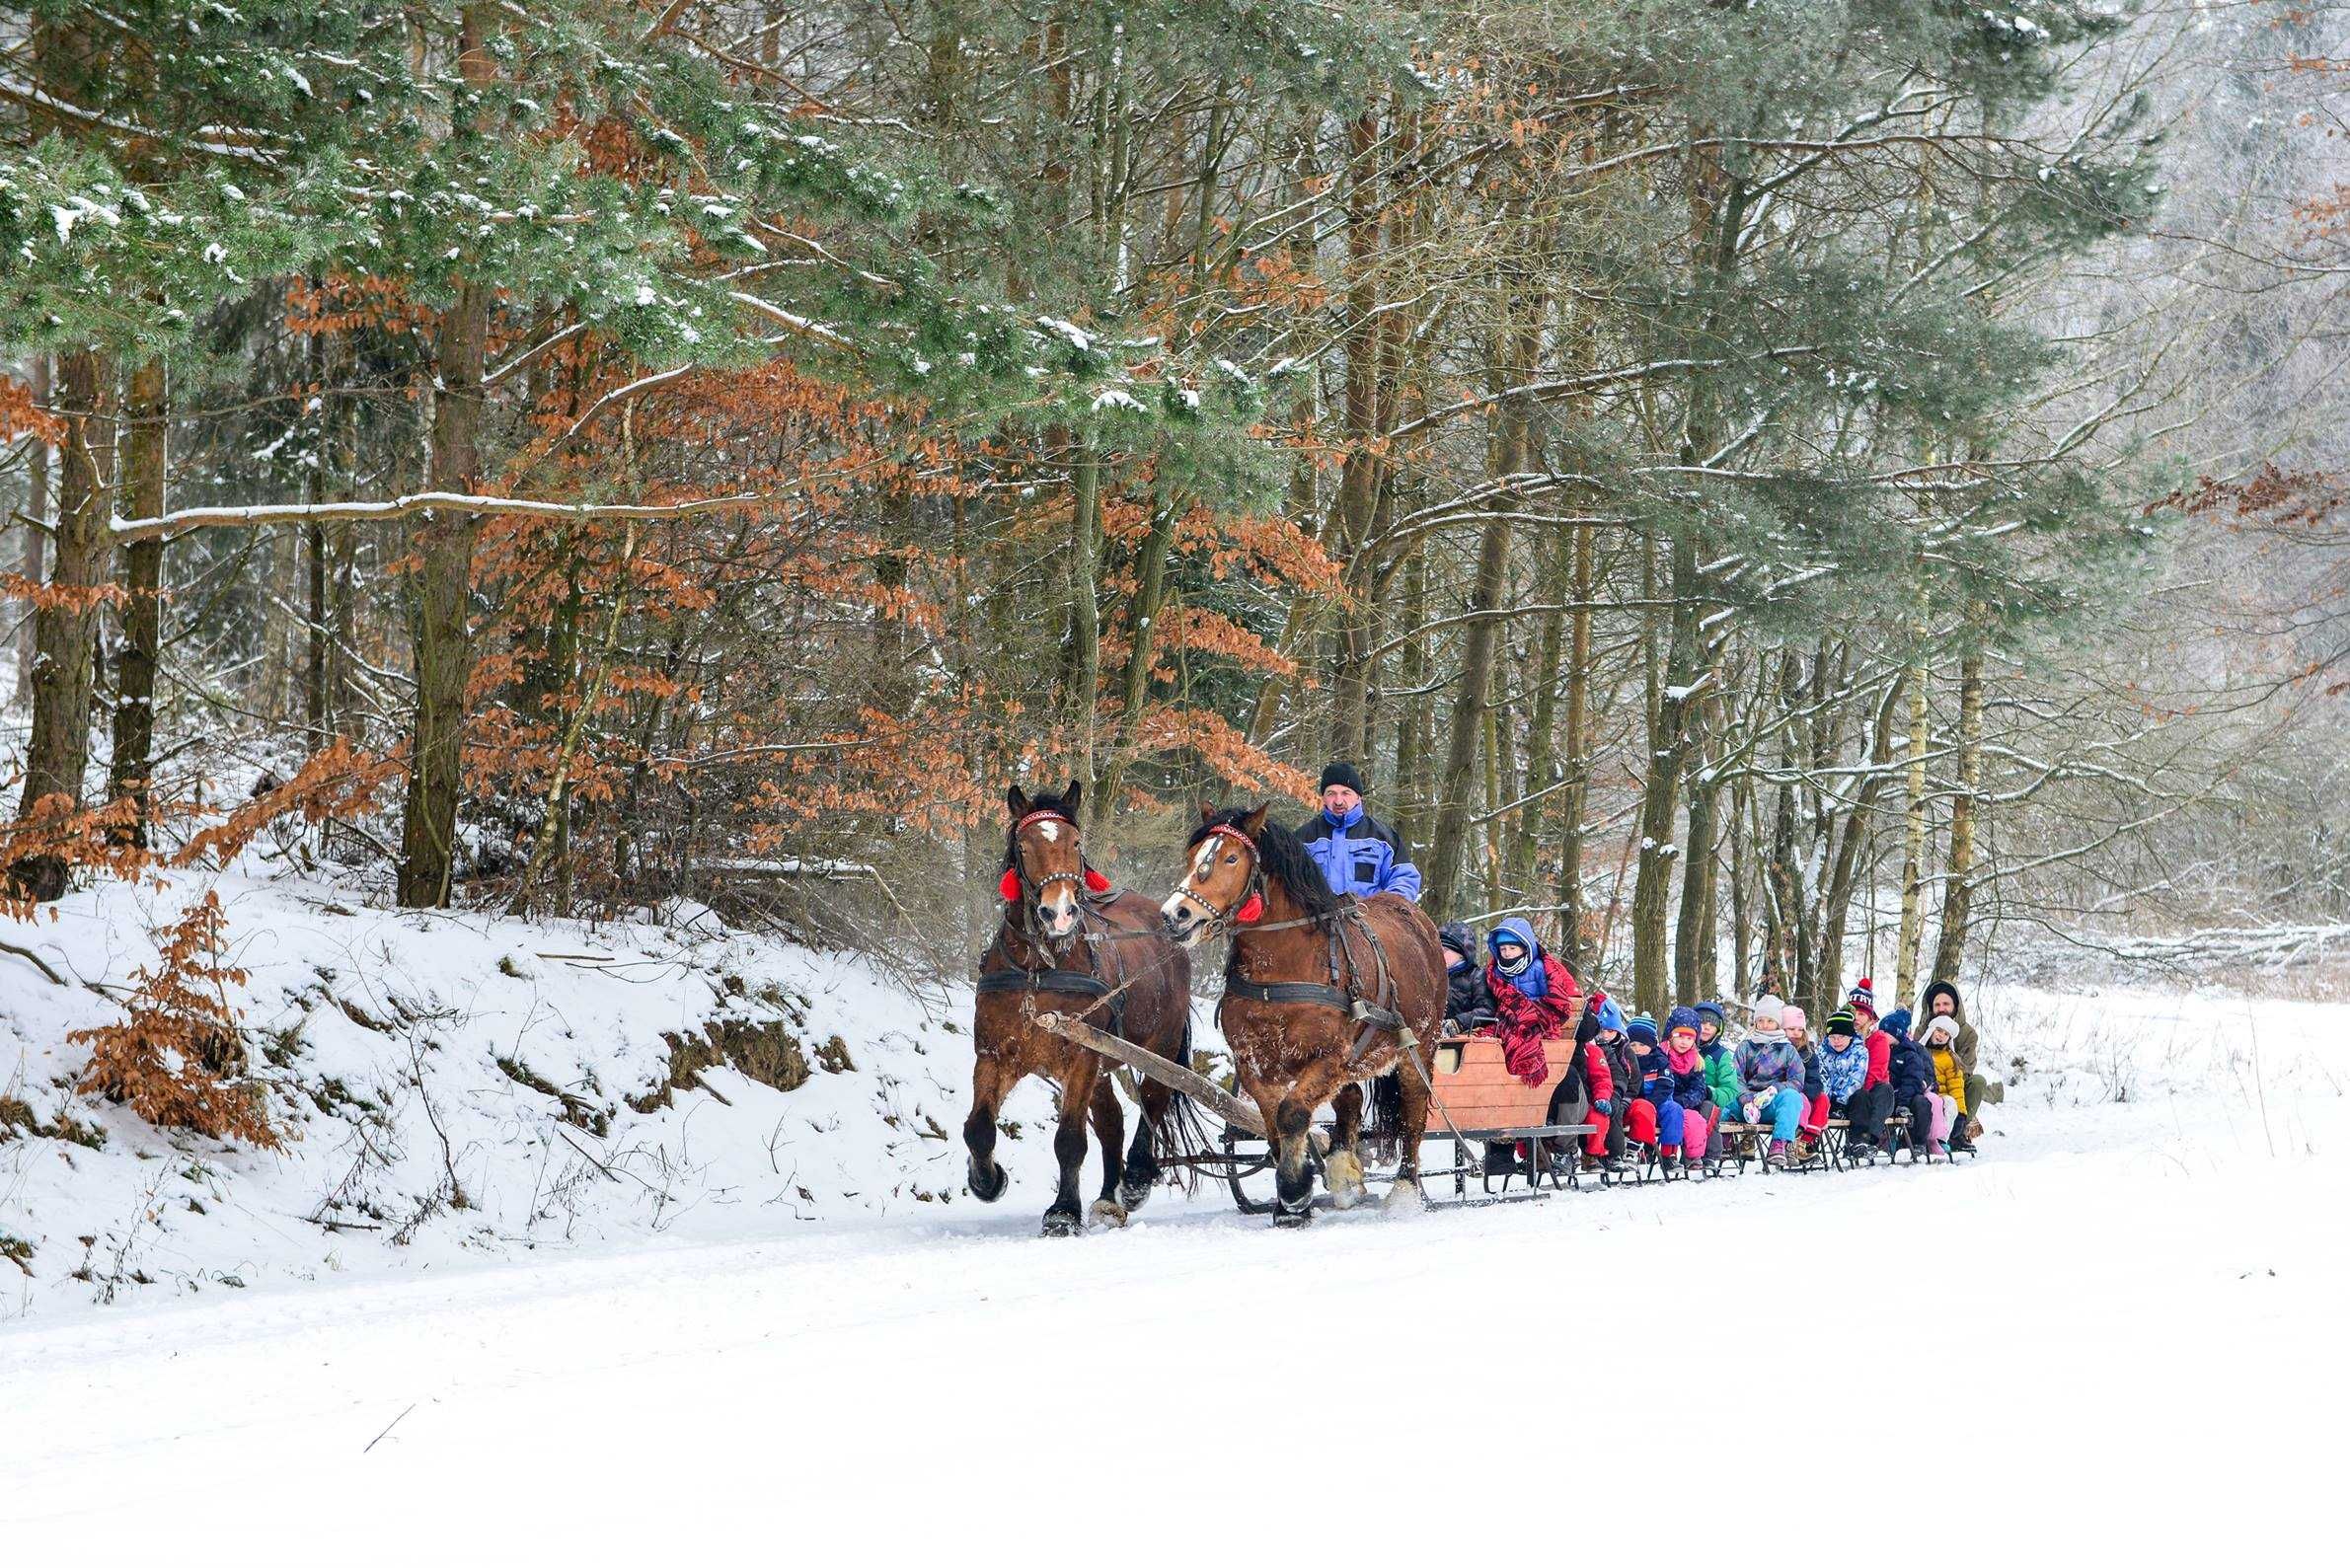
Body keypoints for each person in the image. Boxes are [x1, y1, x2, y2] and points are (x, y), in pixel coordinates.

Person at [1297, 762, 1422, 901]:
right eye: (1331, 793)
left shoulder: (1384, 838)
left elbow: (1404, 880)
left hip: (1369, 918)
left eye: (1346, 793)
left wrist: (1383, 911)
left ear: (1358, 797)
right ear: (1323, 798)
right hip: (1316, 920)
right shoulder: (1302, 839)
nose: (1338, 801)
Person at [1483, 918, 1581, 1085]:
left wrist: (1529, 1011)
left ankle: (1523, 1070)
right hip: (1509, 1018)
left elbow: (1551, 997)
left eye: (1512, 948)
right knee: (1493, 1033)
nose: (1507, 953)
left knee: (1524, 1032)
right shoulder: (1497, 972)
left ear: (1524, 948)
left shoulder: (1537, 968)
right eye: (1503, 949)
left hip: (1537, 1019)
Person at [1734, 996, 1809, 1167]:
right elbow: (1735, 1076)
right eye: (1760, 1020)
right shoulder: (1746, 1047)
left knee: (1793, 1098)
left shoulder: (1787, 1049)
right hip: (1746, 1104)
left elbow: (1796, 1080)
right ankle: (1724, 1144)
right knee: (1724, 1100)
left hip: (1771, 1103)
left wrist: (1775, 1089)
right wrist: (1746, 1098)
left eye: (1770, 1020)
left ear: (1778, 1023)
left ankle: (1779, 1143)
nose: (1765, 1025)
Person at [1922, 979, 1991, 1139]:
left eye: (1946, 1004)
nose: (1942, 1009)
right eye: (1937, 1005)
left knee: (1977, 1082)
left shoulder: (1968, 1034)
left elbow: (1966, 1068)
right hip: (1927, 1084)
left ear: (1955, 1006)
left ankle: (1958, 1131)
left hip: (1955, 1082)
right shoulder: (1923, 1030)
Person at [1819, 1008, 1890, 1157]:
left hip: (1848, 1099)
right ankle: (1808, 1144)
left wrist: (1841, 1102)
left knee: (1861, 1096)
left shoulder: (1859, 1051)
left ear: (1850, 1036)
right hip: (1827, 1100)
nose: (1836, 1041)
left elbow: (1857, 1078)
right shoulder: (1822, 1052)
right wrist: (1827, 1099)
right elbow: (1822, 1077)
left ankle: (1858, 1140)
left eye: (1841, 1037)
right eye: (1832, 1037)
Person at [1662, 1013, 1718, 1174]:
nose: (1684, 1042)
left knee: (1695, 1120)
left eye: (1689, 1038)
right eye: (1680, 1036)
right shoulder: (1661, 1056)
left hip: (1684, 1104)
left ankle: (1693, 1156)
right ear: (1670, 1036)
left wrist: (1683, 1101)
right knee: (1677, 1114)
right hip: (1664, 1104)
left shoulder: (1697, 1061)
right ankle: (1669, 1155)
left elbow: (1699, 1089)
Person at [1882, 1007, 1937, 1160]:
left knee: (1922, 1104)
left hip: (1908, 1096)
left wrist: (1904, 1101)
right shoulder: (1880, 1050)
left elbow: (1913, 1079)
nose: (1882, 1035)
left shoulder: (1911, 1053)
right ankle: (1882, 1142)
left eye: (1885, 1032)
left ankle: (1919, 1142)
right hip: (1888, 1095)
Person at [1921, 1011, 1975, 1155]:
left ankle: (1941, 1139)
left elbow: (1956, 1088)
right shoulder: (1919, 1051)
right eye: (1939, 1030)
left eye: (1946, 1034)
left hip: (1942, 1099)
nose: (1940, 1036)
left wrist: (1961, 1114)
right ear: (1931, 1030)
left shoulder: (1950, 1059)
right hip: (1922, 1095)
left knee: (1950, 1102)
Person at [1783, 1004, 1829, 1157]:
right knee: (1797, 1098)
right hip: (1783, 1098)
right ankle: (1793, 1140)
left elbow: (1816, 1083)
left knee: (1823, 1099)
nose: (1796, 1033)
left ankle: (1804, 1141)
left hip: (1805, 1094)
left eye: (1800, 1029)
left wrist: (1802, 1089)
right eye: (1791, 1029)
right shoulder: (1775, 1053)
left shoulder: (1808, 1055)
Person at [1438, 921, 1498, 1035]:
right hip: (1432, 1039)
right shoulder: (1434, 977)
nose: (1440, 954)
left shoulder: (1477, 976)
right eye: (1437, 950)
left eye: (1445, 951)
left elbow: (1487, 1010)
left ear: (1461, 953)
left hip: (1464, 1038)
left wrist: (1459, 1023)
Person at [1695, 1001, 1743, 1127]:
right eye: (1703, 1023)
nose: (1707, 1027)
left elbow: (1730, 1090)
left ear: (1719, 1028)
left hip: (1712, 1104)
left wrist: (1711, 1093)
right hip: (1687, 1101)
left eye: (1712, 1024)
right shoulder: (1683, 1049)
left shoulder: (1721, 1055)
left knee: (1708, 1110)